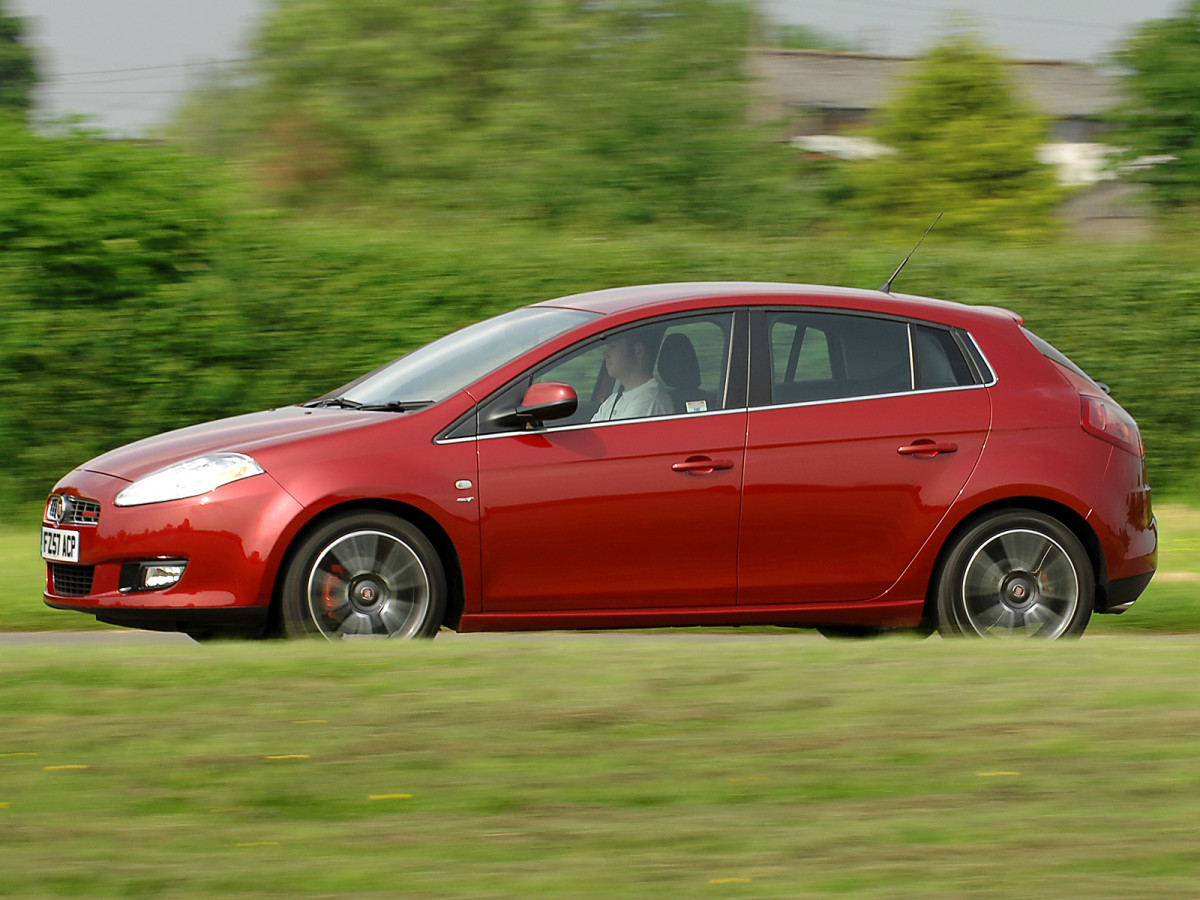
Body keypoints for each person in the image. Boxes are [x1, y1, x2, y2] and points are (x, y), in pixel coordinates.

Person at [592, 329, 674, 421]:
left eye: (613, 346)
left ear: (638, 350)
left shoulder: (649, 400)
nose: (604, 355)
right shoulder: (613, 400)